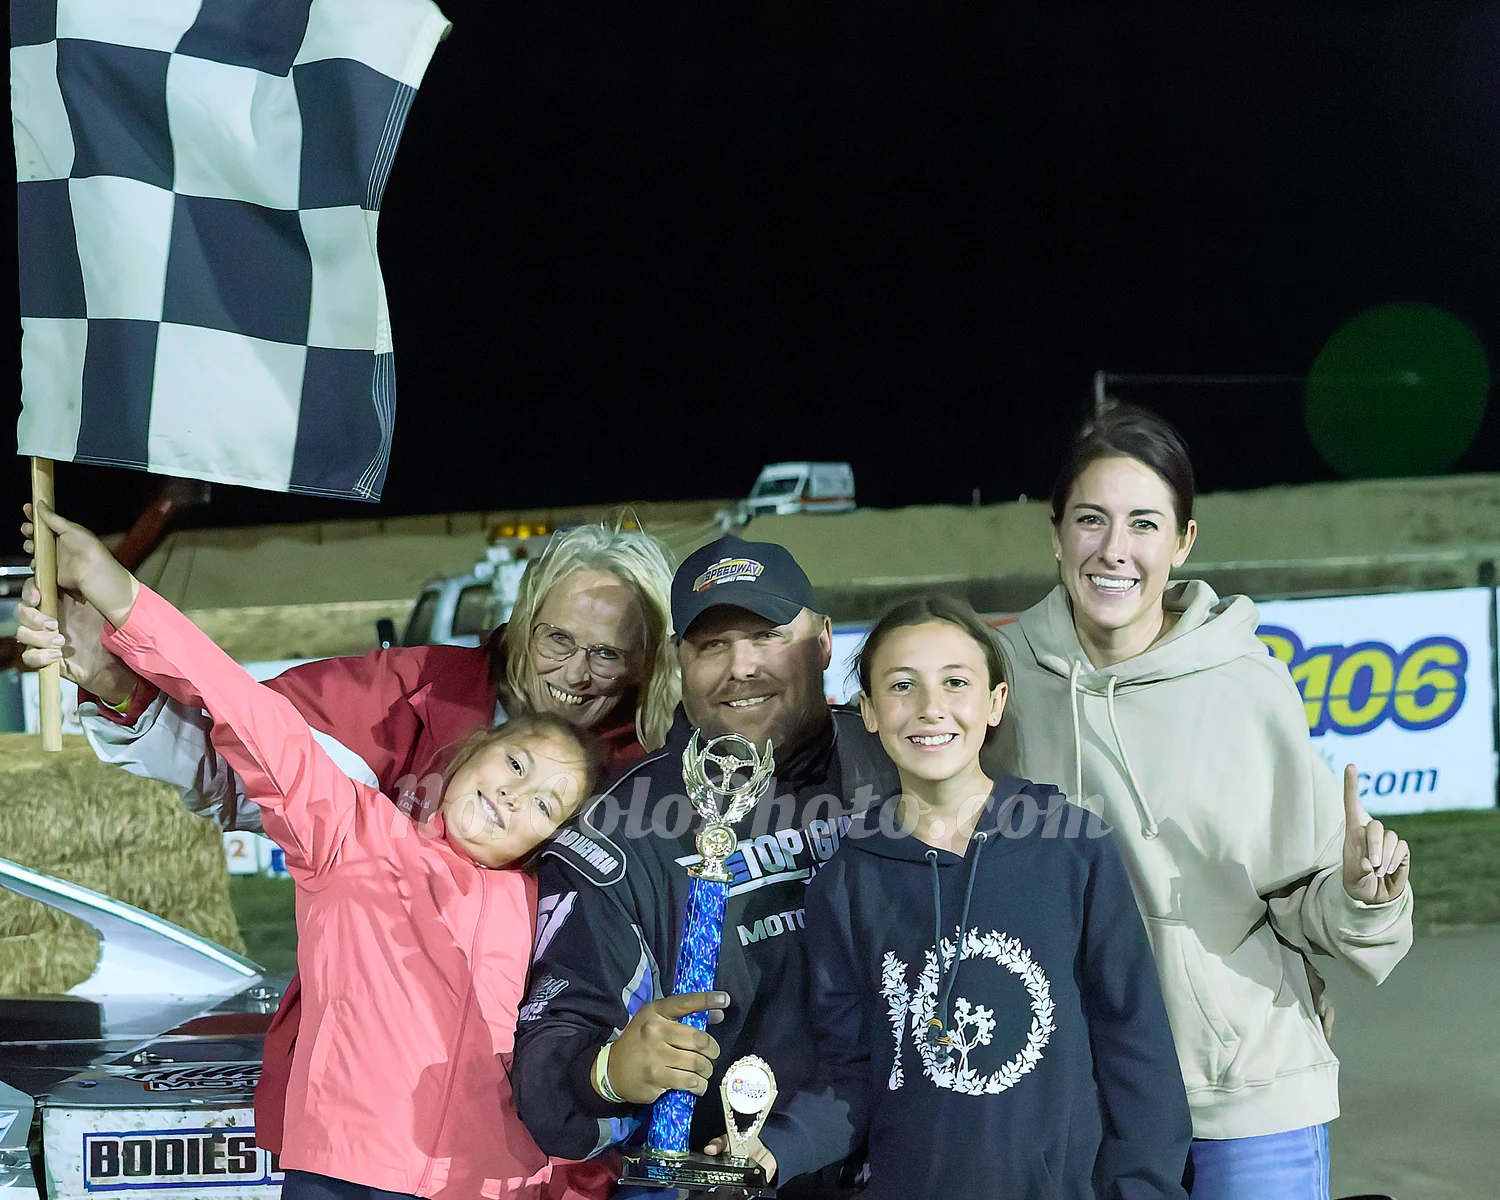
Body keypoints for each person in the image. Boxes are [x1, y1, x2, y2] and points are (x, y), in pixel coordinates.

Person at [16, 521, 678, 1176]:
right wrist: (118, 669)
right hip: (361, 1136)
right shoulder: (399, 721)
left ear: (645, 662)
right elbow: (247, 744)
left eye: (608, 654)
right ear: (527, 617)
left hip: (549, 1150)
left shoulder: (661, 772)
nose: (576, 672)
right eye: (557, 639)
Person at [990, 404, 1414, 1200]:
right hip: (1076, 1102)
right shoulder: (997, 681)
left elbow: (1304, 895)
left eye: (1144, 524)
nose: (1115, 549)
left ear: (1183, 541)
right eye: (1091, 519)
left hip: (1245, 1093)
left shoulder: (1246, 684)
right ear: (1056, 533)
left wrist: (1364, 895)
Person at [713, 595, 1192, 1198]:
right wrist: (776, 1148)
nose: (930, 707)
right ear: (868, 711)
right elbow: (851, 1076)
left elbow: (1137, 1049)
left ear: (995, 702)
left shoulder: (1072, 847)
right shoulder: (848, 880)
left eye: (956, 682)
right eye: (902, 685)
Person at [511, 536, 900, 1198]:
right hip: (732, 1181)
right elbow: (547, 1070)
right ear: (677, 661)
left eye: (768, 636)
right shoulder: (616, 832)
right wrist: (609, 1072)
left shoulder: (904, 766)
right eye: (713, 645)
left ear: (823, 642)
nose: (741, 667)